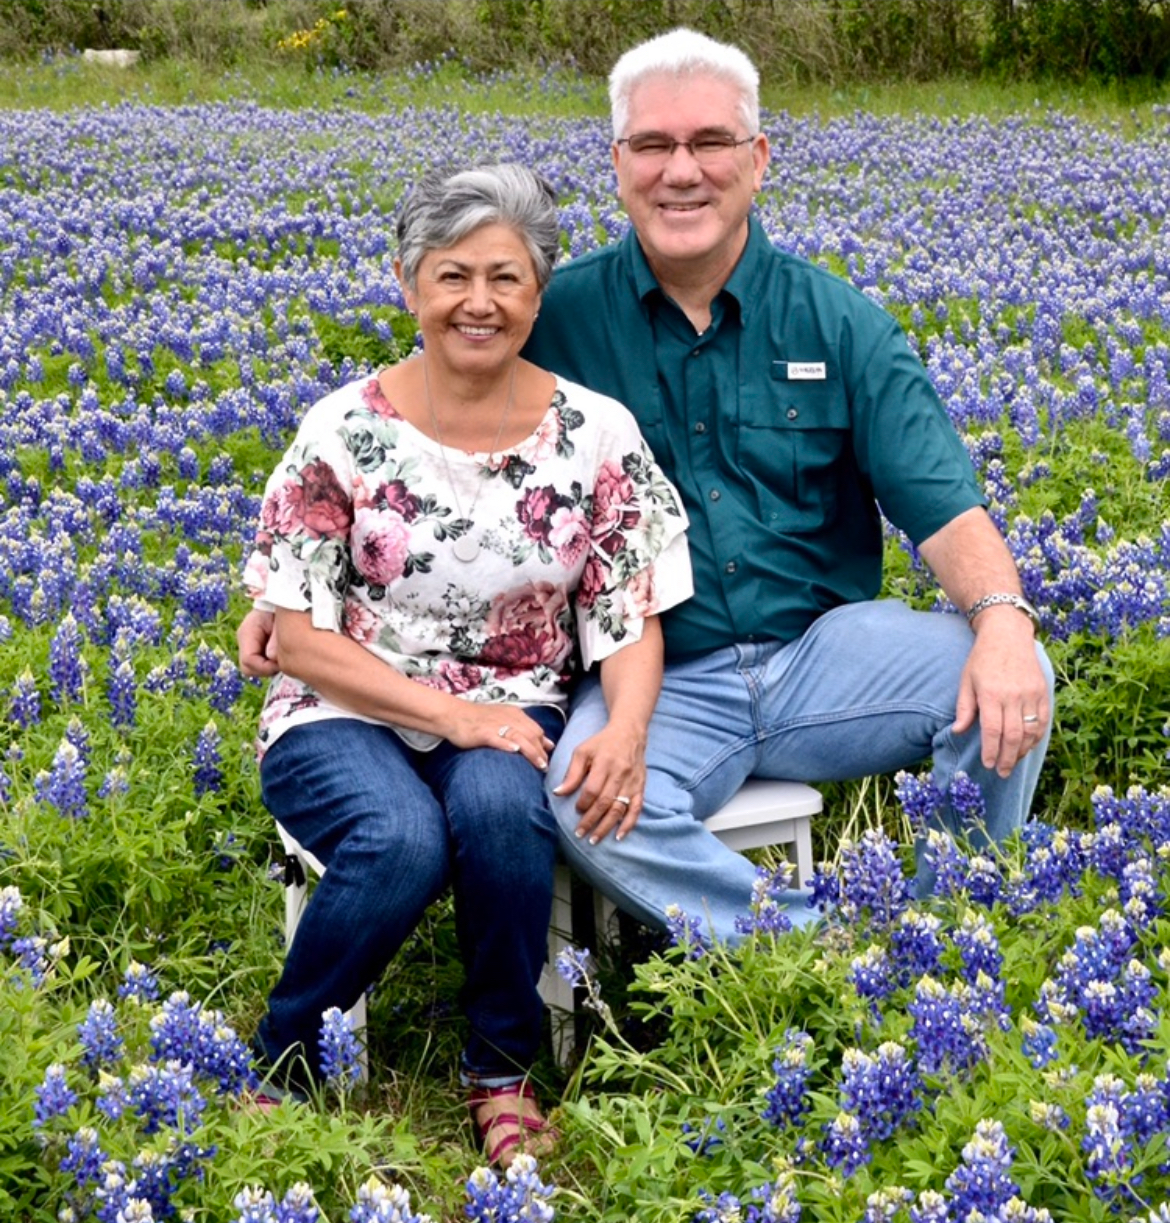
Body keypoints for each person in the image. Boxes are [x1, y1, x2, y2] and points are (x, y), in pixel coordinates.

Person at [241, 28, 1054, 946]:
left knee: (1009, 671)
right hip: (658, 677)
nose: (683, 171)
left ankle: (956, 915)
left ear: (758, 158)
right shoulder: (550, 312)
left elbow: (944, 507)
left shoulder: (839, 321)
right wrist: (301, 592)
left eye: (710, 142)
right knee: (577, 794)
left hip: (823, 660)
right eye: (654, 146)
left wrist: (1002, 617)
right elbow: (417, 428)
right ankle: (824, 947)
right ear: (618, 162)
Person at [241, 163, 691, 1165]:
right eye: (451, 276)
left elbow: (629, 614)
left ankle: (501, 1065)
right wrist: (451, 717)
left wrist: (624, 728)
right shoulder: (341, 427)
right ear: (408, 284)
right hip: (337, 704)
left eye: (506, 277)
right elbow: (301, 637)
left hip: (516, 705)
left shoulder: (596, 433)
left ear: (539, 291)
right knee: (399, 837)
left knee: (496, 813)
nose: (477, 302)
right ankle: (283, 1055)